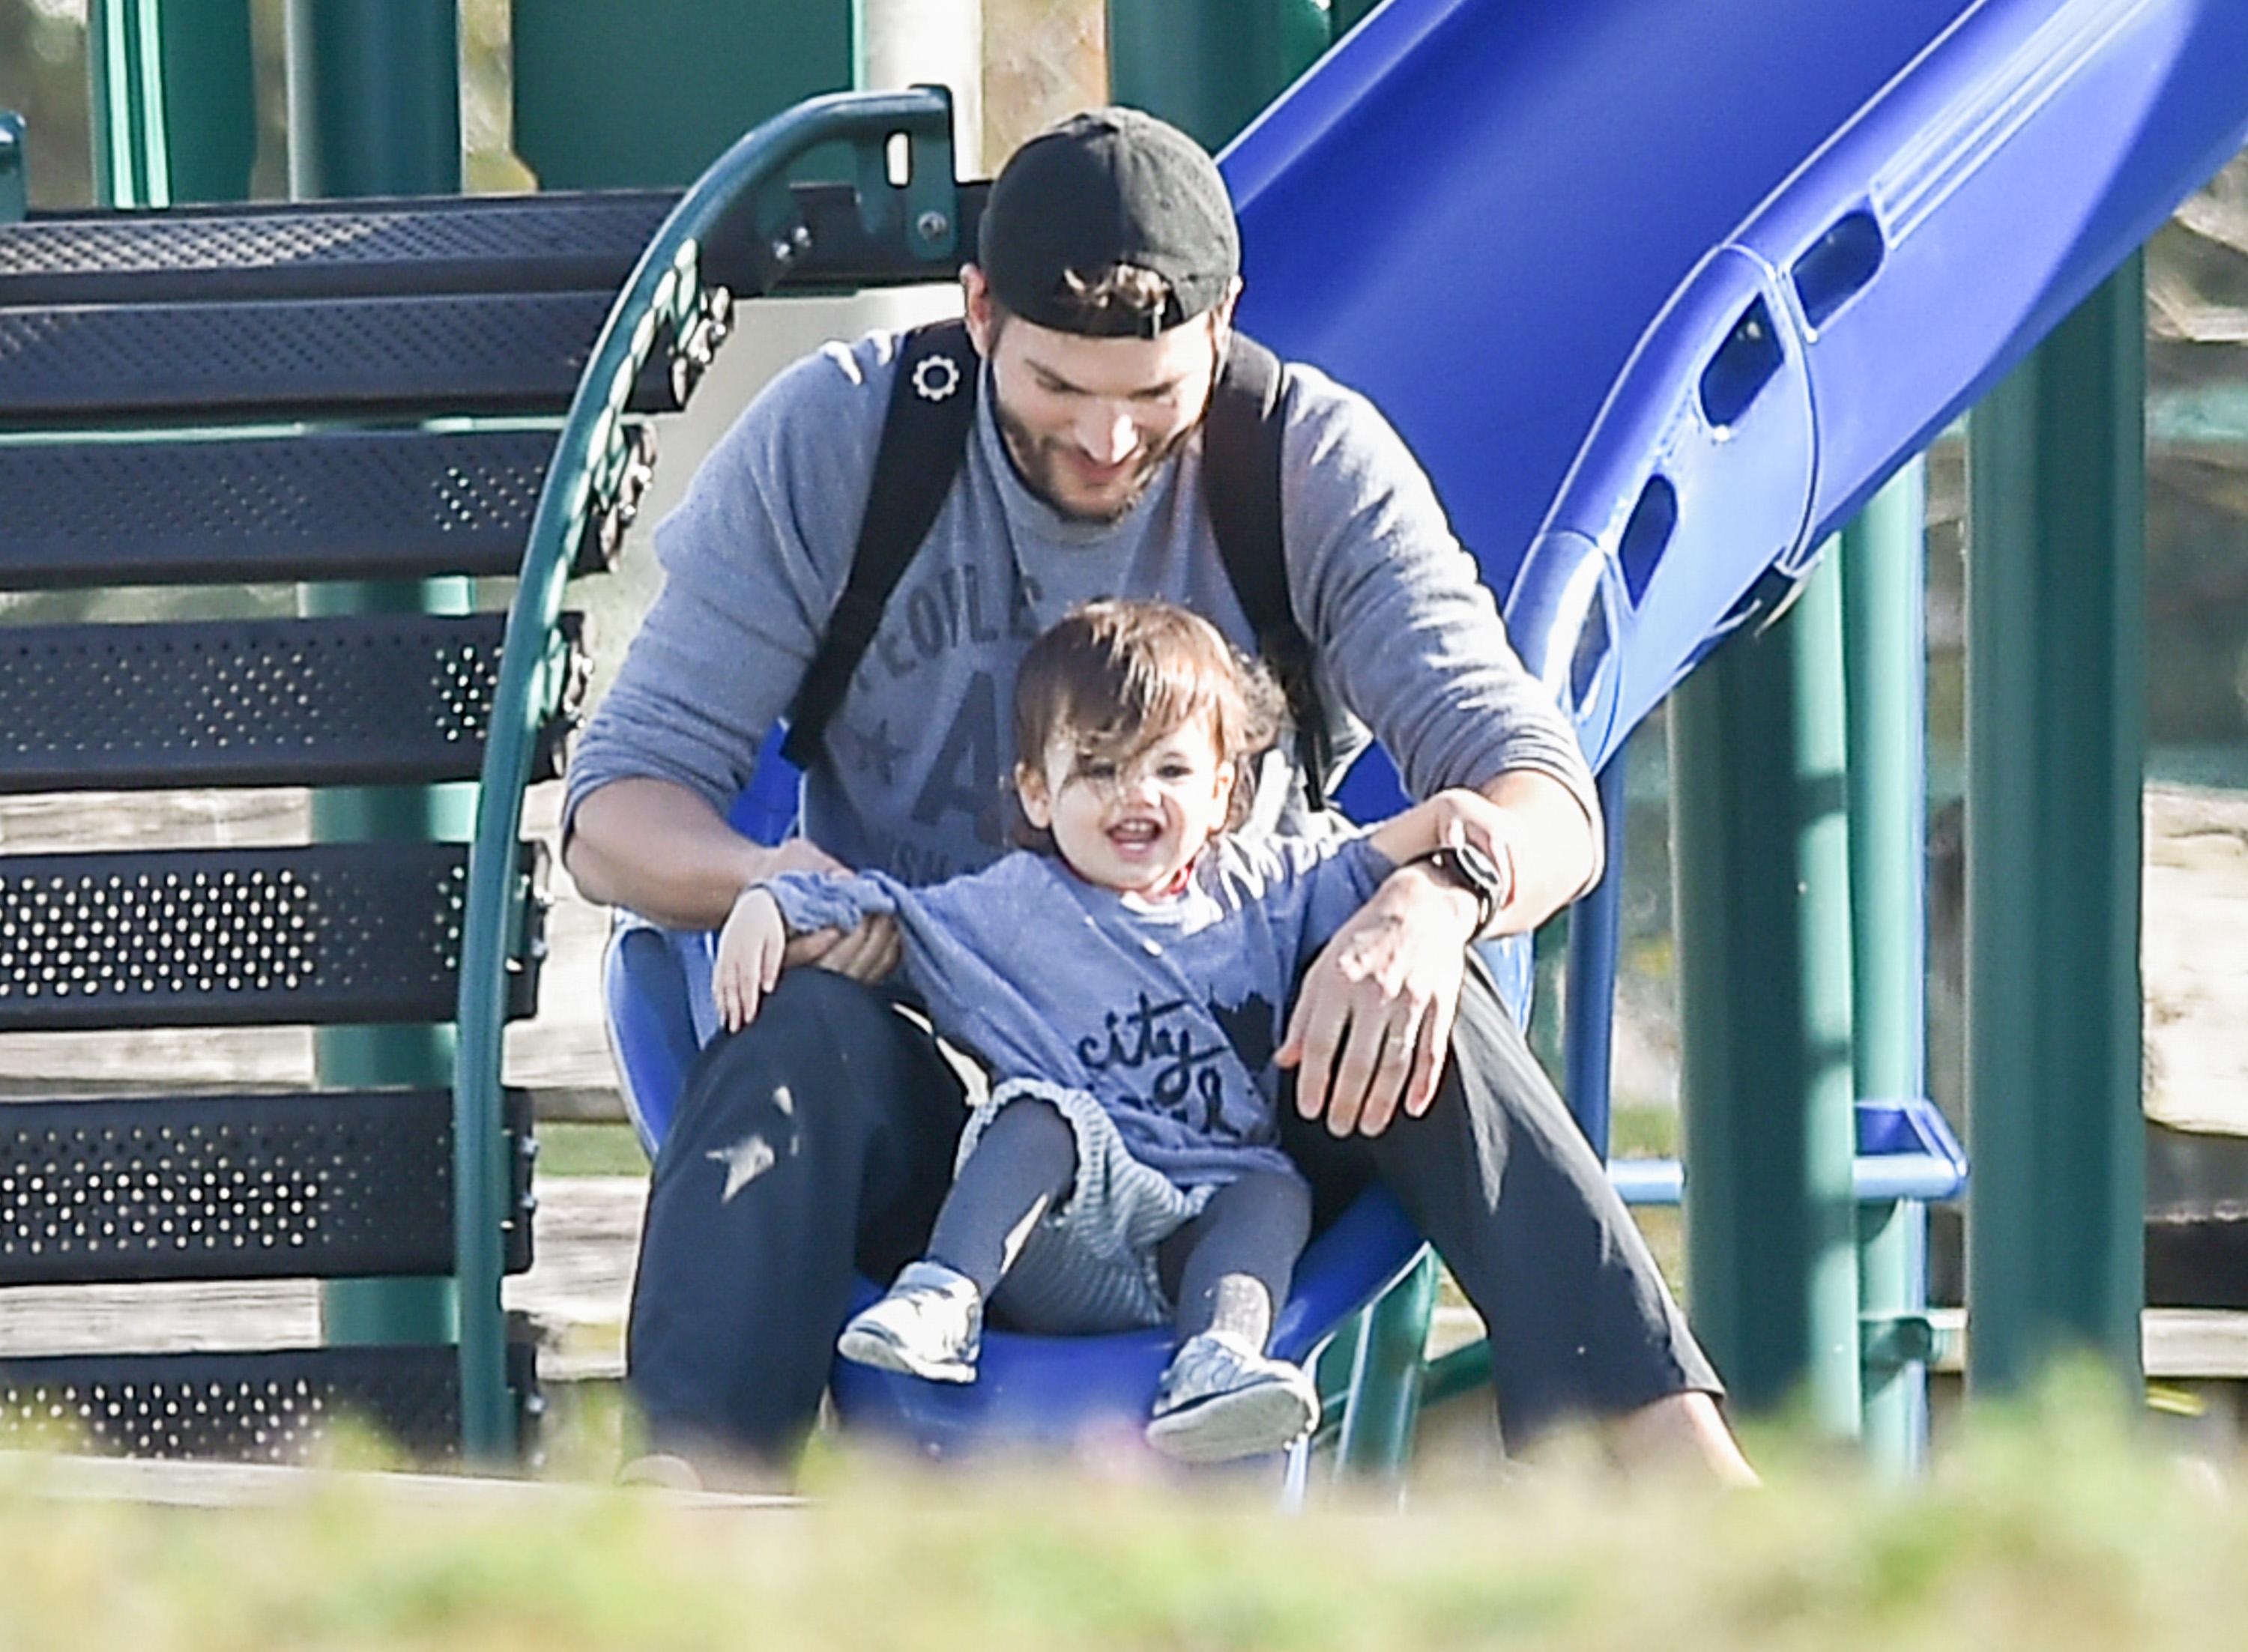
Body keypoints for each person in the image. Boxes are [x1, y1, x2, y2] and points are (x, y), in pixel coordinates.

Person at [565, 106, 1755, 1484]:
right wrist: (765, 880)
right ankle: (692, 1492)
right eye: (1059, 389)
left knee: (1426, 988)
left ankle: (1663, 1463)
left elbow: (1542, 794)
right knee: (791, 1032)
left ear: (1226, 324)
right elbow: (614, 809)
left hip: (1241, 1125)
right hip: (958, 1120)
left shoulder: (1302, 459)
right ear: (978, 312)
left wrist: (1436, 903)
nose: (1109, 439)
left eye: (1152, 396)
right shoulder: (849, 440)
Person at [716, 599, 1524, 1463]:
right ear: (1038, 789)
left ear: (1222, 792)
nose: (1135, 797)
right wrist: (770, 899)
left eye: (1171, 771)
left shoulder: (1261, 889)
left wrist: (1446, 823)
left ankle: (1218, 1360)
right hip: (1063, 1237)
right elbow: (885, 910)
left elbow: (1361, 858)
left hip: (1198, 1230)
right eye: (1099, 770)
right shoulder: (1014, 910)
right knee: (1041, 1119)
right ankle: (947, 1294)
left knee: (1274, 1191)